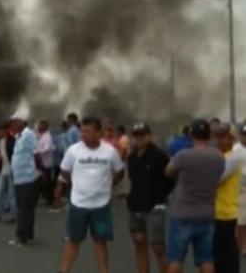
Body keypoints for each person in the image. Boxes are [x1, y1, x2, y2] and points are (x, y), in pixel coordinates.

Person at [59, 116, 125, 273]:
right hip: (78, 204)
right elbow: (64, 170)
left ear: (98, 132)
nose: (83, 134)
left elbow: (119, 171)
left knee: (100, 242)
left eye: (88, 131)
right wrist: (75, 184)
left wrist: (109, 185)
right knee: (73, 240)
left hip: (101, 206)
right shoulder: (73, 150)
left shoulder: (110, 152)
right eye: (82, 131)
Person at [164, 119, 225, 273]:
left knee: (176, 260)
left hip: (183, 213)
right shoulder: (219, 157)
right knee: (206, 260)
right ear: (209, 135)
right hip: (207, 213)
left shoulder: (184, 155)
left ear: (191, 134)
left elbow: (168, 172)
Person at [127, 123, 173, 273]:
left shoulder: (159, 156)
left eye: (142, 135)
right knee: (139, 243)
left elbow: (171, 179)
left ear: (149, 135)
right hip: (135, 206)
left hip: (154, 207)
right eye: (136, 135)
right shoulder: (132, 157)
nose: (139, 138)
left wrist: (160, 196)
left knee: (158, 247)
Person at [212, 123, 241, 273]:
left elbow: (217, 178)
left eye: (223, 137)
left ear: (231, 139)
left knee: (228, 257)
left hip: (227, 213)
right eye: (217, 137)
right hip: (216, 212)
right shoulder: (221, 156)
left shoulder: (233, 157)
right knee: (218, 256)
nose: (219, 140)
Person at [9, 113, 41, 247]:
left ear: (23, 122)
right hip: (19, 178)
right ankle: (28, 234)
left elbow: (37, 153)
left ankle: (21, 237)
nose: (13, 125)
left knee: (24, 208)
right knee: (26, 208)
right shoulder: (18, 136)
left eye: (15, 122)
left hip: (28, 177)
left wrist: (38, 170)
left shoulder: (28, 134)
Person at [35, 119, 55, 207]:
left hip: (46, 162)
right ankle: (46, 198)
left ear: (45, 127)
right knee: (43, 181)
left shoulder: (47, 136)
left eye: (40, 126)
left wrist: (39, 152)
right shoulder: (42, 136)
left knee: (47, 182)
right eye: (39, 125)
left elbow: (47, 148)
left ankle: (50, 199)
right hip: (41, 161)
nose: (39, 127)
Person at [235, 124, 246, 254]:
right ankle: (241, 246)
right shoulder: (235, 150)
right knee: (241, 221)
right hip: (240, 190)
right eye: (244, 135)